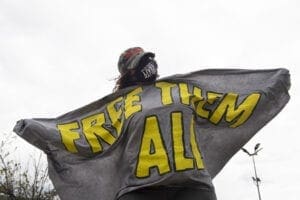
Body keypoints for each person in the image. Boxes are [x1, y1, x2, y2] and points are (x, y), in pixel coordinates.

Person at [115, 47, 217, 200]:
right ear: (128, 72)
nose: (148, 64)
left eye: (147, 60)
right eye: (139, 62)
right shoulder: (118, 104)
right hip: (139, 189)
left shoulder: (179, 88)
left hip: (192, 184)